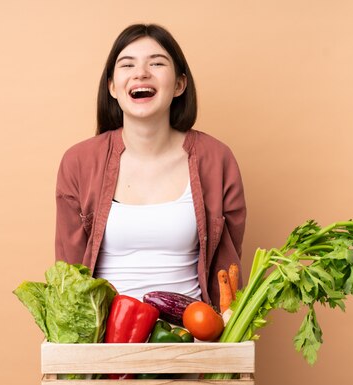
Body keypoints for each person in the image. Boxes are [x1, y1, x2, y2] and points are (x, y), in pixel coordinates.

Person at [54, 23, 246, 308]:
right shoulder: (78, 162)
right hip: (105, 341)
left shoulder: (216, 159)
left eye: (156, 63)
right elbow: (68, 275)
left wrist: (219, 340)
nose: (141, 73)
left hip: (190, 339)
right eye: (127, 64)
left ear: (180, 84)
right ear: (112, 87)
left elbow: (227, 268)